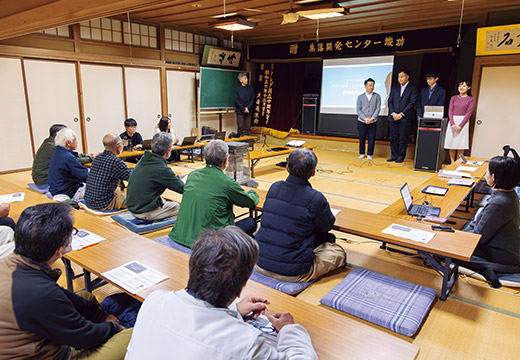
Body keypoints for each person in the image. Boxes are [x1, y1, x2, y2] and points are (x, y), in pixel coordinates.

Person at [126, 226, 318, 359]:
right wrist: (289, 330)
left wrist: (233, 310)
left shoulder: (155, 300)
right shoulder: (247, 342)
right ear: (241, 287)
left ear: (193, 266)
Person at [0, 202, 132, 359]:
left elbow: (59, 294)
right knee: (129, 336)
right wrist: (113, 328)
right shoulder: (40, 293)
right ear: (59, 251)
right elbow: (84, 337)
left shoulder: (12, 262)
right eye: (72, 234)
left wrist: (101, 317)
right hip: (49, 354)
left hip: (33, 340)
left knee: (85, 296)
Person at [255, 148, 347, 283]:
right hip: (292, 272)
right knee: (338, 252)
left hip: (260, 262)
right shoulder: (315, 198)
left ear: (287, 168)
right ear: (313, 172)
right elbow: (327, 225)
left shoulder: (275, 188)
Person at [168, 139, 259, 248]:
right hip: (209, 242)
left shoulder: (193, 175)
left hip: (179, 236)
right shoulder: (226, 182)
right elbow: (250, 201)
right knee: (251, 222)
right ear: (225, 160)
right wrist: (253, 192)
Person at [464, 156, 520, 266]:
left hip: (499, 256)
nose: (486, 174)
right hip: (505, 248)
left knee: (444, 249)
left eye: (487, 171)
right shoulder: (510, 194)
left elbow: (479, 237)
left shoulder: (499, 203)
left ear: (493, 177)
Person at [125, 132, 184, 221]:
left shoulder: (144, 159)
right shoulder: (161, 168)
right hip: (143, 211)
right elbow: (183, 189)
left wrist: (177, 177)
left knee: (166, 201)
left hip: (133, 206)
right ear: (168, 151)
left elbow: (160, 177)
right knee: (179, 207)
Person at [84, 133, 133, 210]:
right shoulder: (115, 161)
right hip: (103, 204)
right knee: (137, 198)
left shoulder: (98, 158)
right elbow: (133, 178)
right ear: (119, 146)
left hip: (89, 201)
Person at [48, 128, 89, 201]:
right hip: (68, 192)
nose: (77, 142)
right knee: (103, 187)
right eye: (75, 140)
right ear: (68, 143)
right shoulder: (67, 157)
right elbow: (85, 176)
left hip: (57, 190)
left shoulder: (58, 152)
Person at [387, 69, 418, 163]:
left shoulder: (413, 88)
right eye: (399, 77)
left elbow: (412, 103)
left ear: (407, 77)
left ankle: (401, 156)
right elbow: (390, 101)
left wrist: (401, 114)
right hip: (393, 117)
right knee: (393, 137)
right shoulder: (394, 88)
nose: (400, 79)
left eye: (402, 76)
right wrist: (393, 113)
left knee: (403, 138)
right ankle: (393, 155)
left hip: (405, 117)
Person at [444, 80, 475, 164]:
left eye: (464, 86)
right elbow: (450, 110)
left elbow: (469, 113)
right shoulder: (453, 98)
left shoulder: (471, 99)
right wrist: (452, 124)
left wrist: (460, 126)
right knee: (452, 142)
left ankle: (459, 162)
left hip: (463, 122)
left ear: (469, 88)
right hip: (453, 121)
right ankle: (452, 162)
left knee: (461, 143)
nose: (461, 87)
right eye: (460, 85)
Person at [356, 78, 381, 160]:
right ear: (365, 86)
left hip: (373, 121)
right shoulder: (360, 97)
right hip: (362, 121)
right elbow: (358, 110)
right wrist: (365, 119)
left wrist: (372, 118)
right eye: (370, 85)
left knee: (372, 137)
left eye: (373, 85)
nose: (371, 87)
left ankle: (370, 153)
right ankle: (362, 153)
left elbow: (378, 108)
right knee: (362, 137)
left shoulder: (377, 96)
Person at [234, 72, 254, 136]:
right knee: (240, 127)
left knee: (248, 127)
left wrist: (247, 108)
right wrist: (243, 109)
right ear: (241, 80)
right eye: (245, 78)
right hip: (240, 110)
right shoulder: (237, 89)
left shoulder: (250, 88)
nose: (247, 79)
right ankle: (240, 142)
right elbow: (236, 100)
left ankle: (248, 141)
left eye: (246, 78)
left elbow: (252, 99)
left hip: (248, 110)